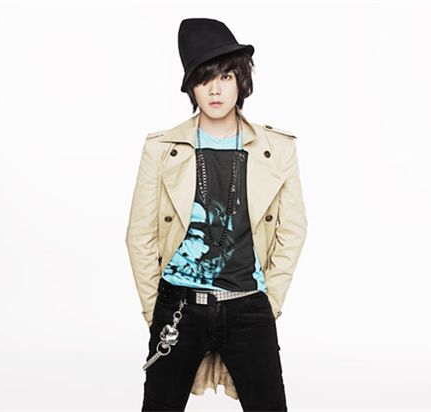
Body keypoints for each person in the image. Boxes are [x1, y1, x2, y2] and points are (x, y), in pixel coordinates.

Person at [125, 17, 307, 411]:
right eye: (204, 78)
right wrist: (156, 309)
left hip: (248, 304)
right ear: (191, 86)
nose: (215, 88)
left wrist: (268, 302)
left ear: (242, 80)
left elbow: (293, 230)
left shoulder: (277, 149)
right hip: (179, 306)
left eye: (225, 75)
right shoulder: (161, 149)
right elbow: (139, 235)